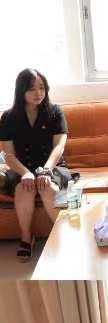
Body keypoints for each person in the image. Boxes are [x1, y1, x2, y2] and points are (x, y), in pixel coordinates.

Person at [0, 68, 68, 261]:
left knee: (48, 187)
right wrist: (26, 173)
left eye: (41, 88)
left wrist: (46, 170)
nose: (38, 93)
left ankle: (62, 235)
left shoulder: (55, 112)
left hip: (51, 167)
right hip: (22, 169)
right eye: (31, 88)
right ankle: (26, 237)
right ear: (21, 90)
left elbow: (59, 147)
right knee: (24, 188)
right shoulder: (8, 118)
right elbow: (8, 155)